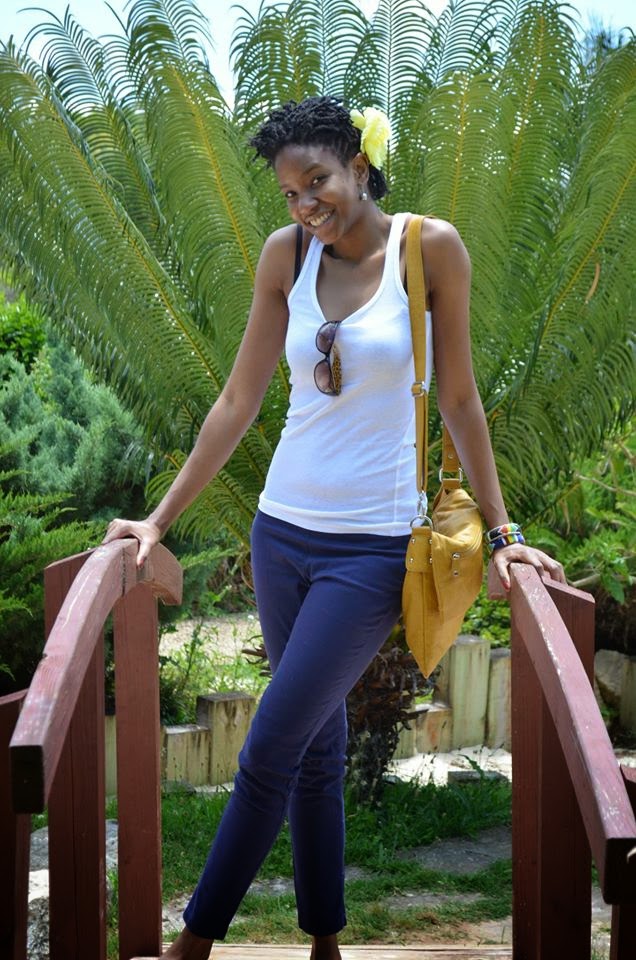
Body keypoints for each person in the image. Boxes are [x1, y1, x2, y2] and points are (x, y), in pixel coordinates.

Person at [103, 96, 565, 960]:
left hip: (371, 550)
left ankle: (191, 945)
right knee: (315, 745)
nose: (303, 204)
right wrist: (158, 521)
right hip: (280, 533)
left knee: (270, 745)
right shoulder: (286, 256)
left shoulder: (430, 249)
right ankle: (325, 940)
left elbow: (461, 399)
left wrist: (504, 536)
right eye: (288, 192)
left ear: (359, 164)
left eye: (315, 180)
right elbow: (237, 400)